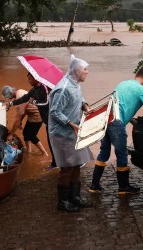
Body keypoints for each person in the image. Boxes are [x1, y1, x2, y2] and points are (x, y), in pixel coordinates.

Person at [88, 68, 143, 195]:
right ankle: (124, 188)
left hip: (107, 119)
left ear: (136, 75)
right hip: (117, 124)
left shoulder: (122, 84)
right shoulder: (142, 90)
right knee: (122, 154)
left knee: (104, 152)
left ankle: (94, 185)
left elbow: (119, 106)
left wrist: (131, 120)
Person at [48, 54, 94, 212]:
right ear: (76, 71)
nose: (87, 72)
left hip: (74, 129)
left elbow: (79, 99)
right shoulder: (63, 88)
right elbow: (54, 111)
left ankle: (75, 197)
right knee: (67, 167)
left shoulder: (75, 84)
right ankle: (63, 201)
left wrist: (85, 106)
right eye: (85, 70)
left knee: (77, 164)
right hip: (62, 133)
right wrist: (71, 124)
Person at [4, 72, 57, 169]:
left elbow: (45, 103)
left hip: (48, 118)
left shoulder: (43, 88)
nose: (28, 81)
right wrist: (11, 103)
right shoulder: (34, 89)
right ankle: (32, 153)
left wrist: (11, 133)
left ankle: (52, 160)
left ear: (36, 78)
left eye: (29, 79)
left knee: (49, 141)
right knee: (30, 134)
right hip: (44, 118)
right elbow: (25, 99)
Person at [2, 86, 48, 156]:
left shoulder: (19, 97)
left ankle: (44, 153)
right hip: (34, 114)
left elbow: (17, 119)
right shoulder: (20, 91)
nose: (9, 99)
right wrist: (20, 121)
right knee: (26, 133)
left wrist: (11, 134)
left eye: (8, 97)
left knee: (31, 136)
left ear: (9, 96)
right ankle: (29, 151)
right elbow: (24, 110)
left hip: (37, 116)